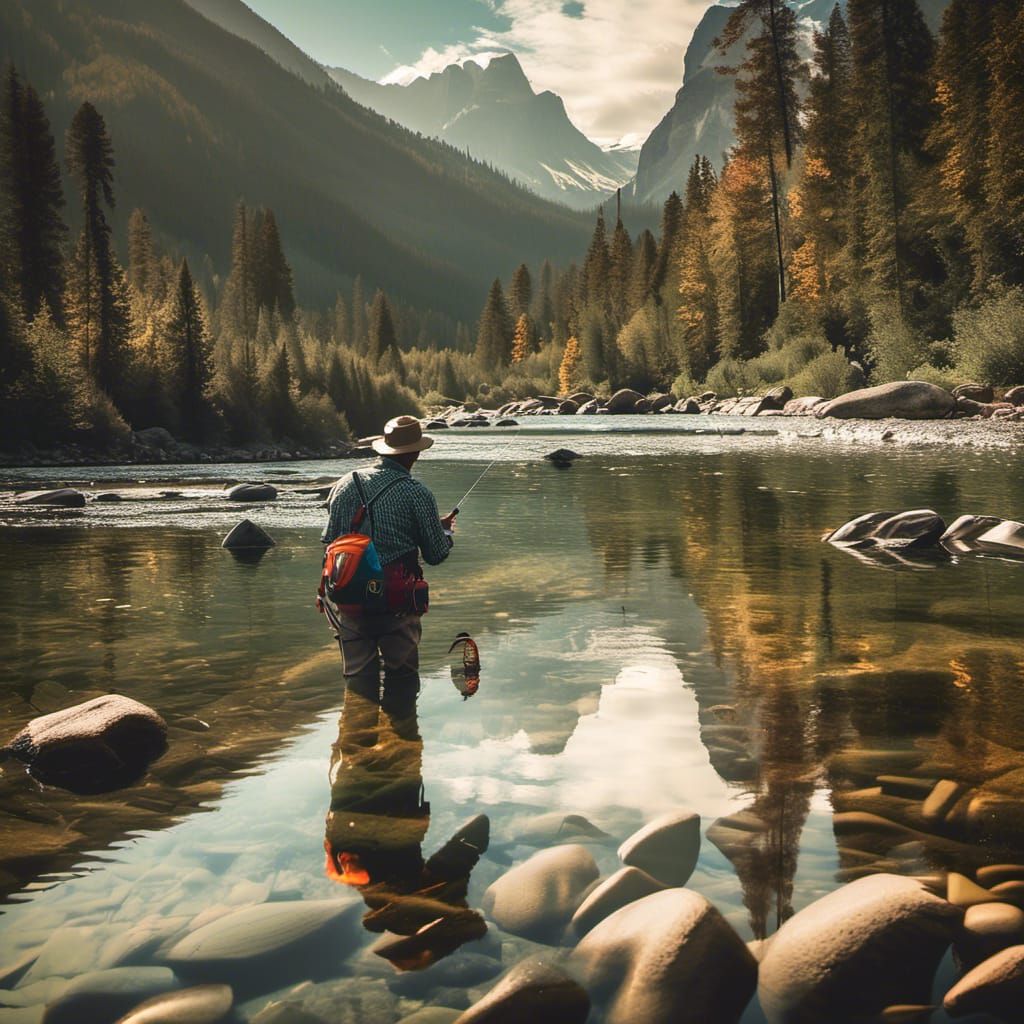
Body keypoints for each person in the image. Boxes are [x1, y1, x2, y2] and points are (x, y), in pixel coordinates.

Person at [321, 415, 455, 691]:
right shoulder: (416, 492)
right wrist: (444, 534)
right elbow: (436, 555)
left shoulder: (346, 483)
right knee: (403, 681)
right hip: (397, 602)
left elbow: (330, 540)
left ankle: (358, 729)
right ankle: (401, 730)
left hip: (349, 599)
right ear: (415, 453)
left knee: (358, 682)